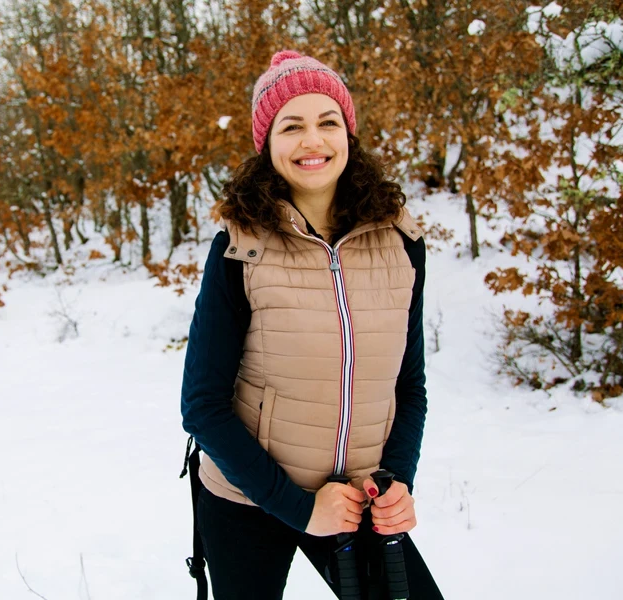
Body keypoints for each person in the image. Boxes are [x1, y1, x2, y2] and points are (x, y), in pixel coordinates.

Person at [180, 50, 443, 599]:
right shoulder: (239, 247)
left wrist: (396, 481)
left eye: (327, 122)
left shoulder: (402, 242)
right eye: (291, 126)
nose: (312, 141)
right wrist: (299, 507)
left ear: (348, 132)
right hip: (245, 497)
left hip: (356, 498)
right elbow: (202, 404)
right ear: (267, 143)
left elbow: (408, 387)